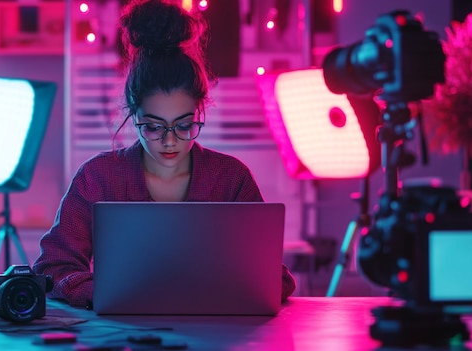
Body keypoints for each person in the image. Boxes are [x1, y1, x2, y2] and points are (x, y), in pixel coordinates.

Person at [33, 0, 296, 308]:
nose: (170, 141)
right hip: (122, 330)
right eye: (154, 127)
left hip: (217, 332)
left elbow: (273, 278)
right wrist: (107, 294)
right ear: (133, 116)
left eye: (184, 126)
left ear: (200, 111)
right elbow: (53, 267)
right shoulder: (97, 178)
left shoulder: (230, 178)